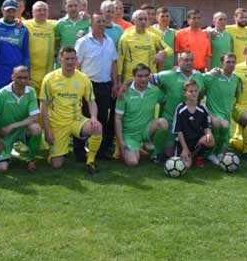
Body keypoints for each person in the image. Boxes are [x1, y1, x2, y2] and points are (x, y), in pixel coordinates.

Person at [40, 47, 103, 174]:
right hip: (57, 123)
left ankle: (90, 161)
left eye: (73, 59)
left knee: (97, 127)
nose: (70, 62)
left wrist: (94, 118)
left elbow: (91, 101)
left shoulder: (83, 78)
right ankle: (56, 150)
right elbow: (43, 106)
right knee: (56, 164)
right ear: (60, 59)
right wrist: (47, 131)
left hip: (76, 120)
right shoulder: (49, 78)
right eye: (67, 59)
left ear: (77, 60)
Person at [75, 12, 119, 160]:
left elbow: (114, 63)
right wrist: (78, 86)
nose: (101, 24)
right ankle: (80, 151)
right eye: (98, 21)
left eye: (103, 22)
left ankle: (99, 151)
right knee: (83, 118)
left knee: (102, 118)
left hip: (105, 85)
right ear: (91, 24)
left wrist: (115, 83)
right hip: (87, 85)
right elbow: (77, 65)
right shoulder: (83, 42)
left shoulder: (109, 41)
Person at [151, 51, 204, 161]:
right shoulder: (169, 75)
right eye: (186, 60)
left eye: (191, 60)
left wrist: (215, 71)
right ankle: (156, 152)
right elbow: (147, 78)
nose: (189, 63)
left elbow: (204, 89)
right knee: (169, 153)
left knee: (188, 153)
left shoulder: (199, 76)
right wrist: (161, 95)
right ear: (179, 61)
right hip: (171, 118)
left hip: (190, 121)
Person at [114, 63, 168, 167]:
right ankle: (128, 148)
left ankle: (156, 153)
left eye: (146, 75)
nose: (143, 79)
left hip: (146, 130)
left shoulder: (155, 91)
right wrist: (120, 141)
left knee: (163, 123)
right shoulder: (124, 92)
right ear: (134, 77)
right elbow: (118, 118)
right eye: (139, 76)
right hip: (130, 134)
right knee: (133, 162)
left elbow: (165, 101)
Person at [0, 65, 43, 172]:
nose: (23, 81)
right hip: (5, 133)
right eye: (19, 77)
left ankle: (31, 159)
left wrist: (12, 126)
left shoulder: (31, 92)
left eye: (25, 78)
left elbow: (34, 117)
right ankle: (7, 151)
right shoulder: (2, 93)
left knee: (36, 128)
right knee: (1, 168)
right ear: (12, 77)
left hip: (22, 130)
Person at [203, 53, 241, 163]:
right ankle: (210, 154)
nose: (231, 64)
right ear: (221, 63)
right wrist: (209, 73)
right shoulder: (214, 75)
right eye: (228, 62)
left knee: (224, 149)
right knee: (218, 124)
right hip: (212, 114)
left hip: (226, 116)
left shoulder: (236, 78)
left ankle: (217, 152)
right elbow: (198, 78)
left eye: (233, 62)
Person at [117, 10, 172, 83]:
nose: (143, 22)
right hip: (131, 78)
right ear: (133, 21)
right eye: (140, 19)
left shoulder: (152, 36)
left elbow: (170, 49)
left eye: (145, 19)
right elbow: (120, 60)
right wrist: (118, 81)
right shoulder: (125, 37)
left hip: (149, 77)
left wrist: (163, 53)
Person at [173, 80, 214, 169]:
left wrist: (208, 133)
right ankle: (188, 154)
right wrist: (184, 148)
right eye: (191, 91)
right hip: (183, 142)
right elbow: (178, 131)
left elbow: (206, 126)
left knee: (210, 139)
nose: (194, 93)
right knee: (186, 166)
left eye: (196, 91)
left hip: (196, 141)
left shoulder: (202, 108)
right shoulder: (181, 108)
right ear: (185, 93)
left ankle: (198, 156)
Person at [0, 0, 30, 90]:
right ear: (2, 10)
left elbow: (25, 53)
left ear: (17, 12)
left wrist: (27, 73)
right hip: (0, 71)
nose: (10, 14)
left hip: (17, 72)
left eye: (13, 11)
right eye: (8, 11)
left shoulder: (23, 29)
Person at [24, 1, 57, 90]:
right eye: (39, 10)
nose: (42, 12)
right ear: (33, 12)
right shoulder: (25, 25)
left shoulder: (54, 25)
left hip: (48, 76)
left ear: (48, 12)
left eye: (44, 10)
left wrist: (84, 17)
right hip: (31, 76)